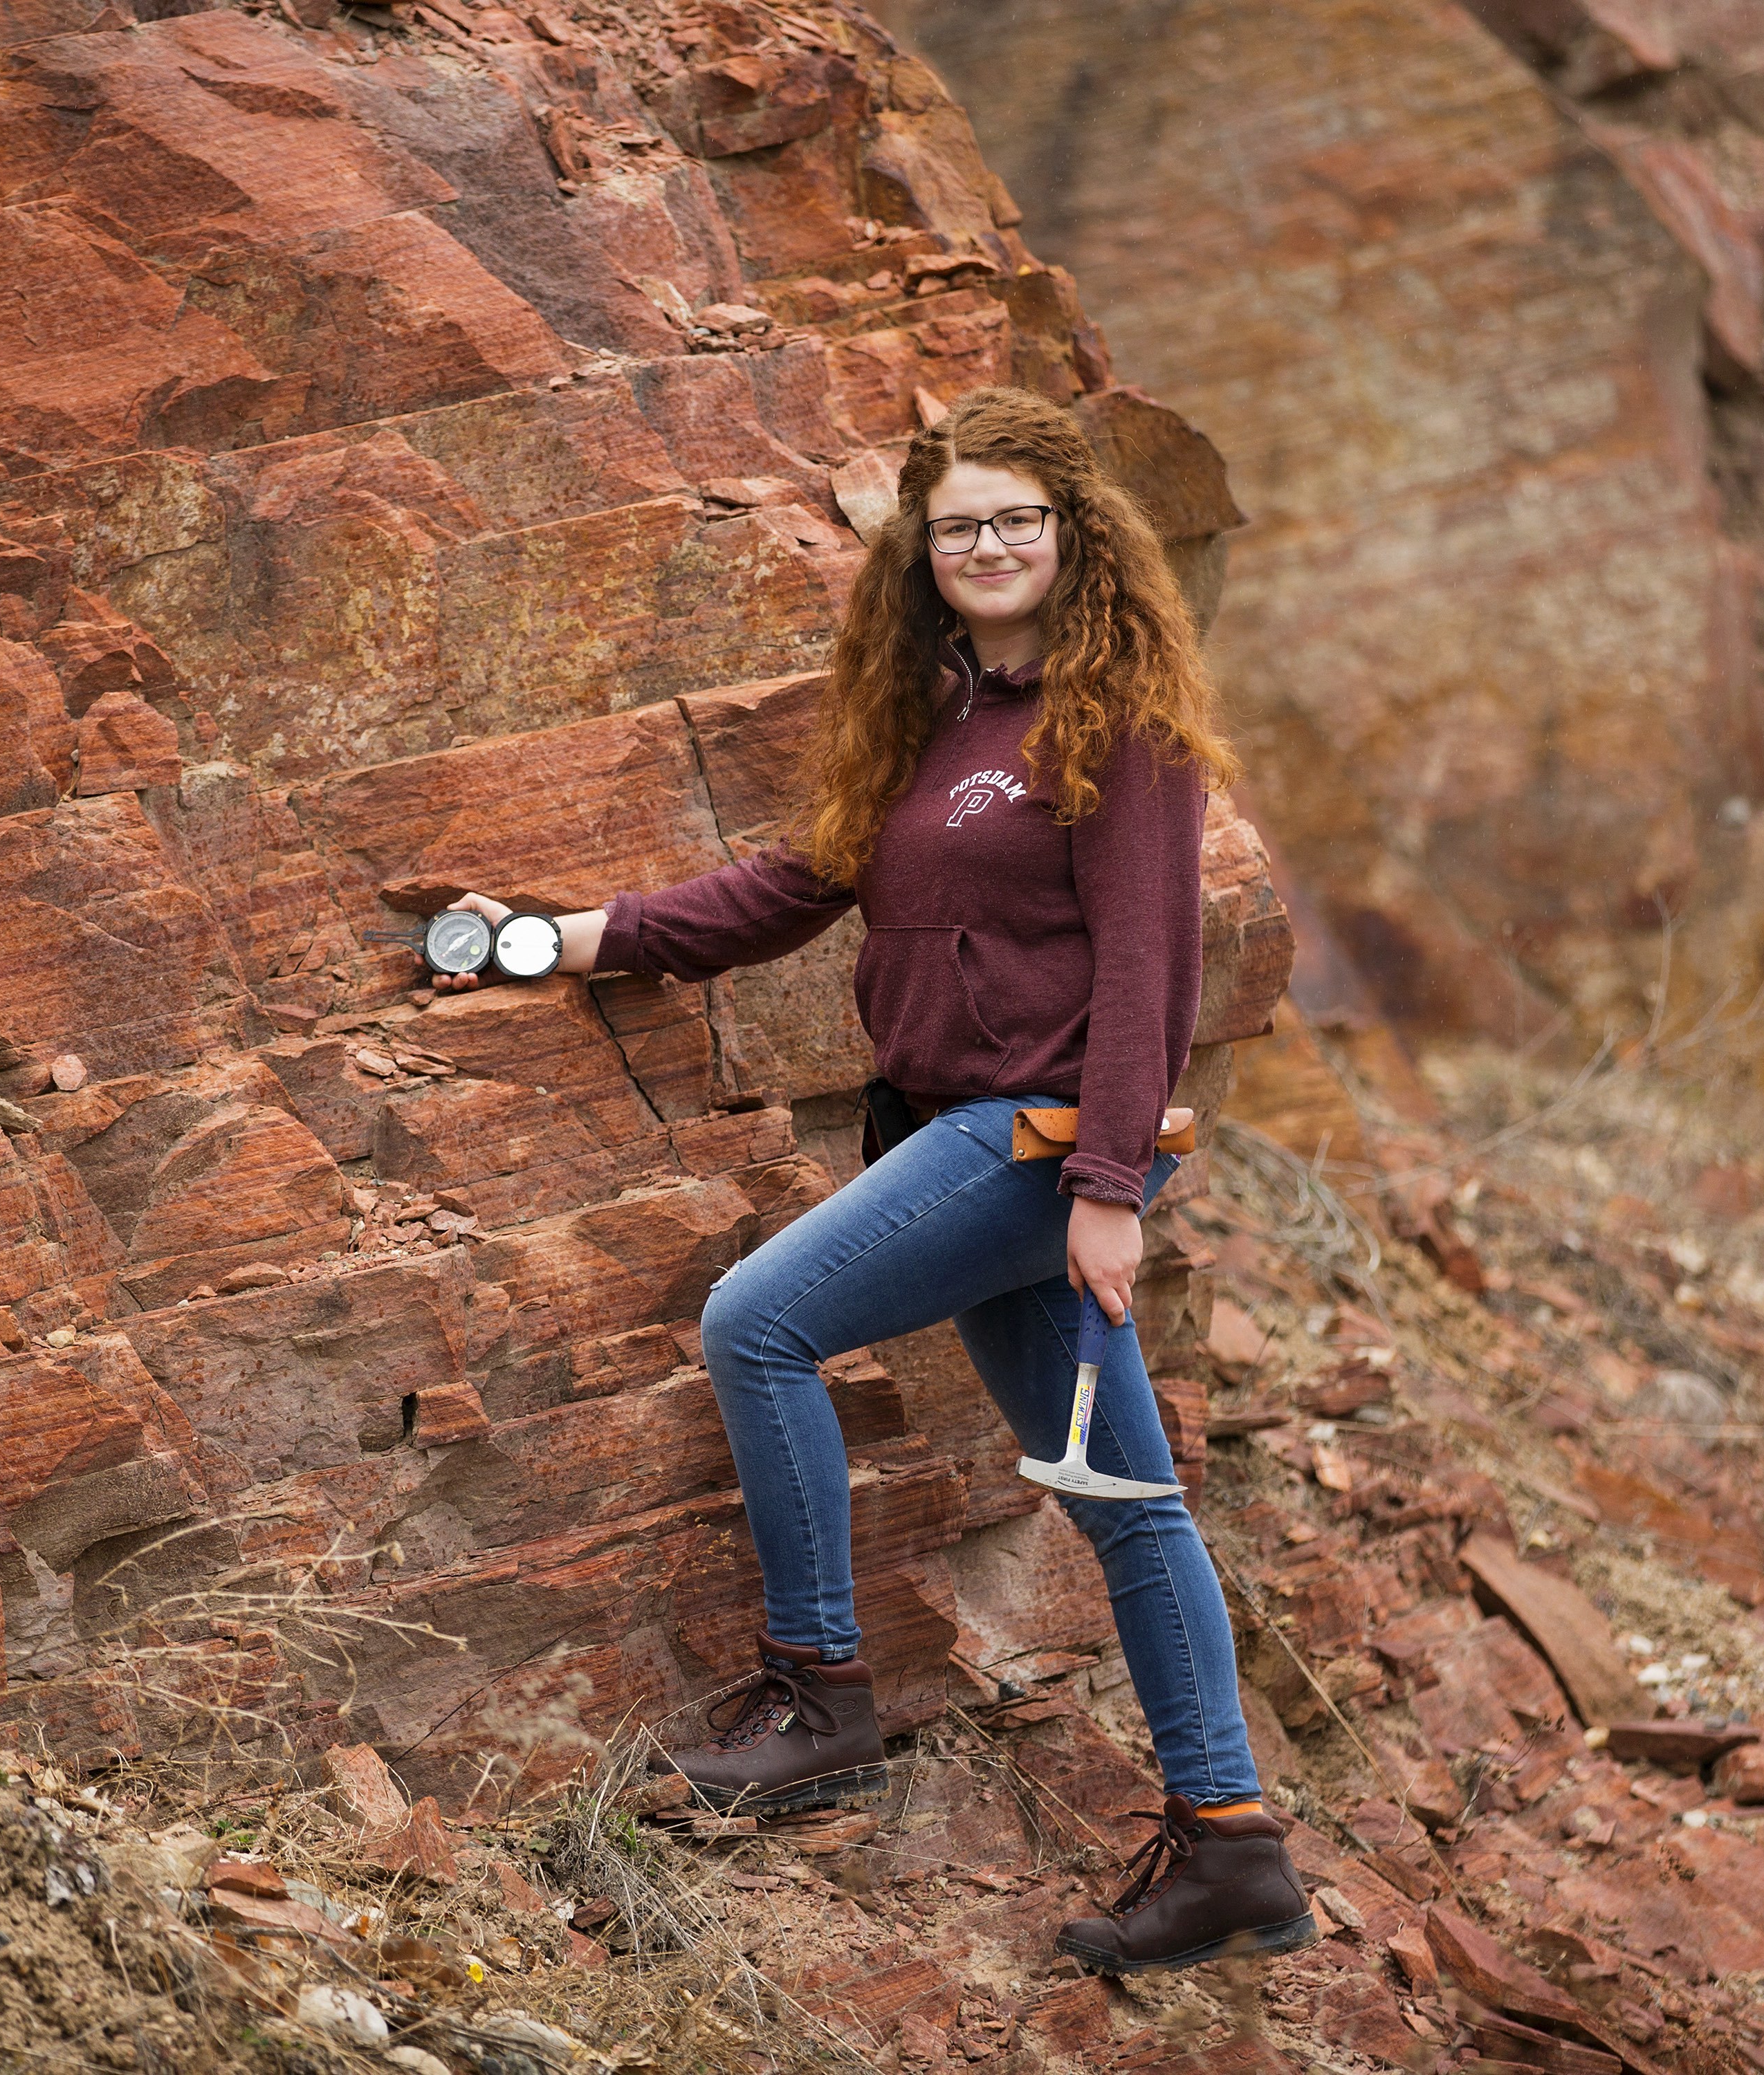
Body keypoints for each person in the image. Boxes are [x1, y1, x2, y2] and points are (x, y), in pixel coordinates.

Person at [437, 386, 1311, 1974]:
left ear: (1075, 535)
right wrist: (554, 941)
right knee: (1126, 1502)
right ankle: (1233, 1844)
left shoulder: (1116, 724)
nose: (989, 546)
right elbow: (783, 890)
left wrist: (1111, 1186)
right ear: (923, 547)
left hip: (1031, 1148)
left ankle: (820, 1698)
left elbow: (1151, 973)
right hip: (948, 1139)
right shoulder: (934, 721)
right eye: (960, 524)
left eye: (1018, 519)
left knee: (755, 1324)